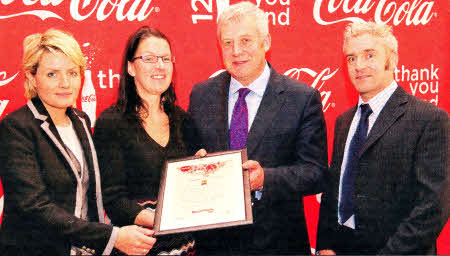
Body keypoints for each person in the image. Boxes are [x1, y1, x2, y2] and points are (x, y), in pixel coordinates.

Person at [187, 2, 328, 255]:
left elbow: (315, 173)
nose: (236, 51)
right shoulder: (201, 94)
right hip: (215, 246)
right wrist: (194, 167)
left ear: (266, 41)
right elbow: (189, 158)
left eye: (246, 40)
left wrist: (266, 179)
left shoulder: (302, 98)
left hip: (278, 244)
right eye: (227, 42)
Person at [0, 29, 156, 256]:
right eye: (52, 74)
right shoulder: (16, 127)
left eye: (72, 73)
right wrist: (111, 237)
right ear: (32, 77)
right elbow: (34, 208)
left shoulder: (81, 120)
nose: (65, 83)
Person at [316, 21, 449, 255]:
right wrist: (325, 245)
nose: (359, 66)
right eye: (351, 58)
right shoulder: (343, 122)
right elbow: (333, 190)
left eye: (369, 55)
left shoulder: (429, 119)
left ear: (393, 60)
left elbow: (433, 207)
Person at [93, 26, 195, 255]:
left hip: (184, 247)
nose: (159, 66)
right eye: (148, 58)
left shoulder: (184, 120)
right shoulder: (111, 122)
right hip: (138, 247)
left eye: (165, 58)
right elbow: (113, 199)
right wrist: (162, 220)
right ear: (130, 67)